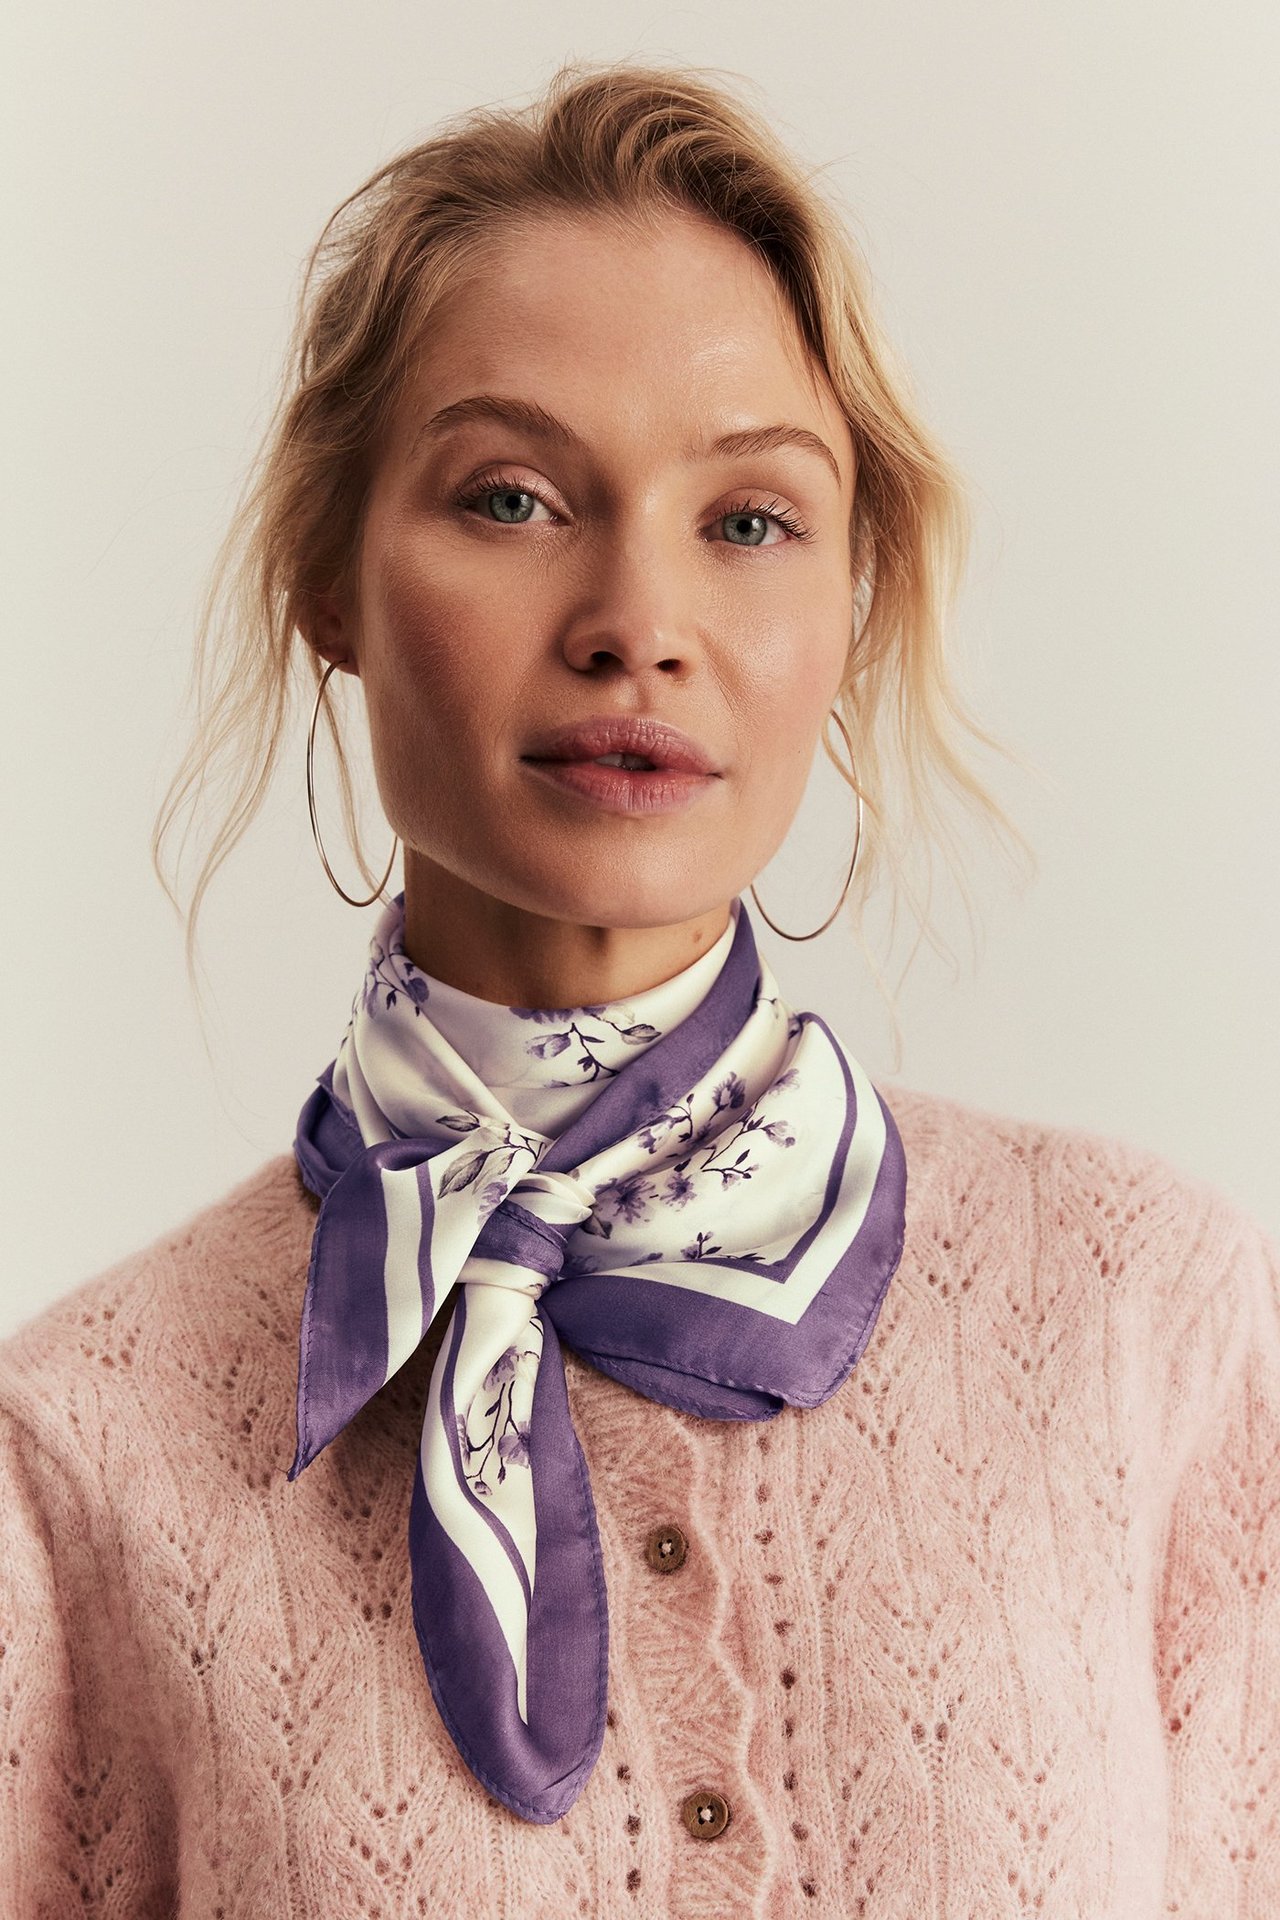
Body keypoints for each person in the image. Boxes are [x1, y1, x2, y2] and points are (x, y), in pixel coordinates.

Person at [1, 56, 1276, 1919]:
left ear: (851, 605)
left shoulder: (1148, 1324)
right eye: (511, 498)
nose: (635, 620)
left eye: (750, 520)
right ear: (326, 576)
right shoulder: (77, 1461)